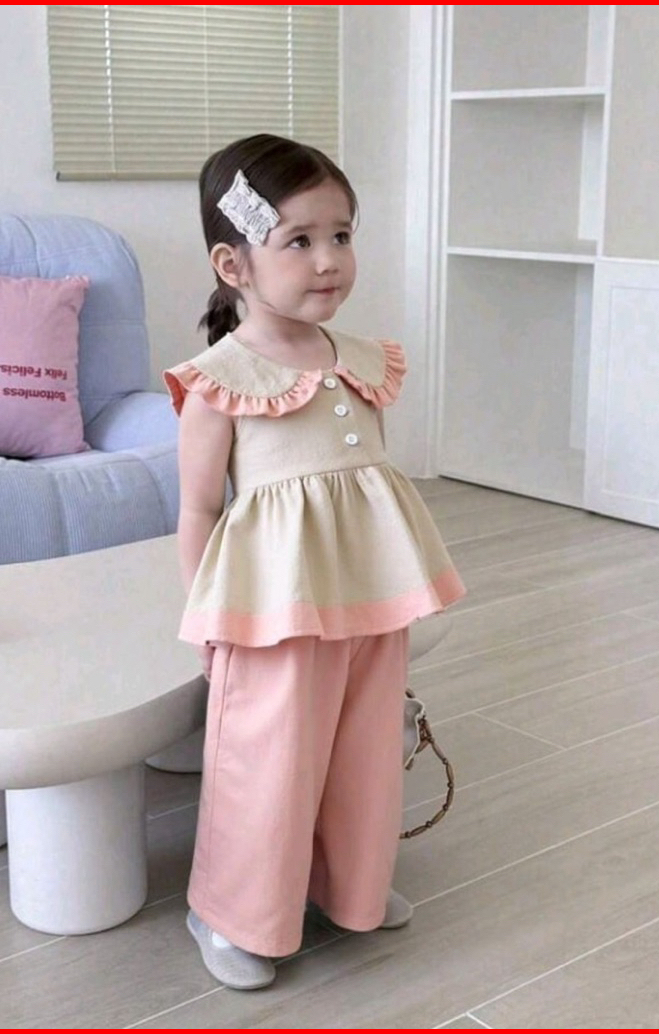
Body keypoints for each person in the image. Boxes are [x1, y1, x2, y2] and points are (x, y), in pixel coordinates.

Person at [163, 134, 465, 991]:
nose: (329, 259)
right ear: (234, 263)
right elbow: (199, 510)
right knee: (271, 764)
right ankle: (229, 911)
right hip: (276, 610)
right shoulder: (221, 380)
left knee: (364, 749)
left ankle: (347, 886)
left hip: (366, 600)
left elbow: (365, 490)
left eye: (341, 235)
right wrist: (206, 623)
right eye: (298, 240)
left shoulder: (363, 362)